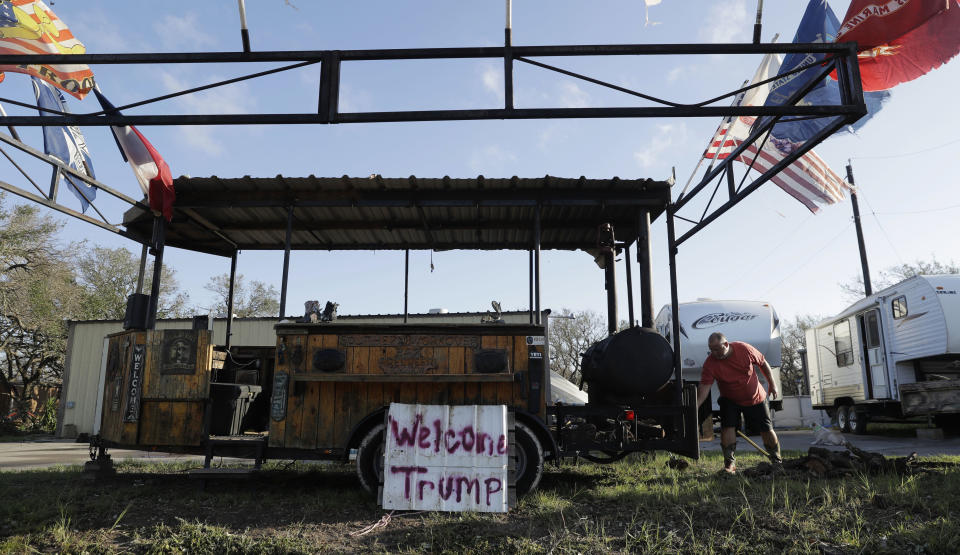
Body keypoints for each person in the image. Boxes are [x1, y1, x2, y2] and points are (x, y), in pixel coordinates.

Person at [696, 332, 781, 474]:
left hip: (755, 397)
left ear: (726, 344)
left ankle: (777, 460)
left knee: (766, 429)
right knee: (727, 428)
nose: (714, 353)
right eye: (711, 350)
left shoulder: (744, 349)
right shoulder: (710, 363)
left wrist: (773, 384)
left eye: (717, 349)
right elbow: (704, 387)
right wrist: (696, 406)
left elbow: (763, 363)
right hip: (730, 399)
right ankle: (730, 464)